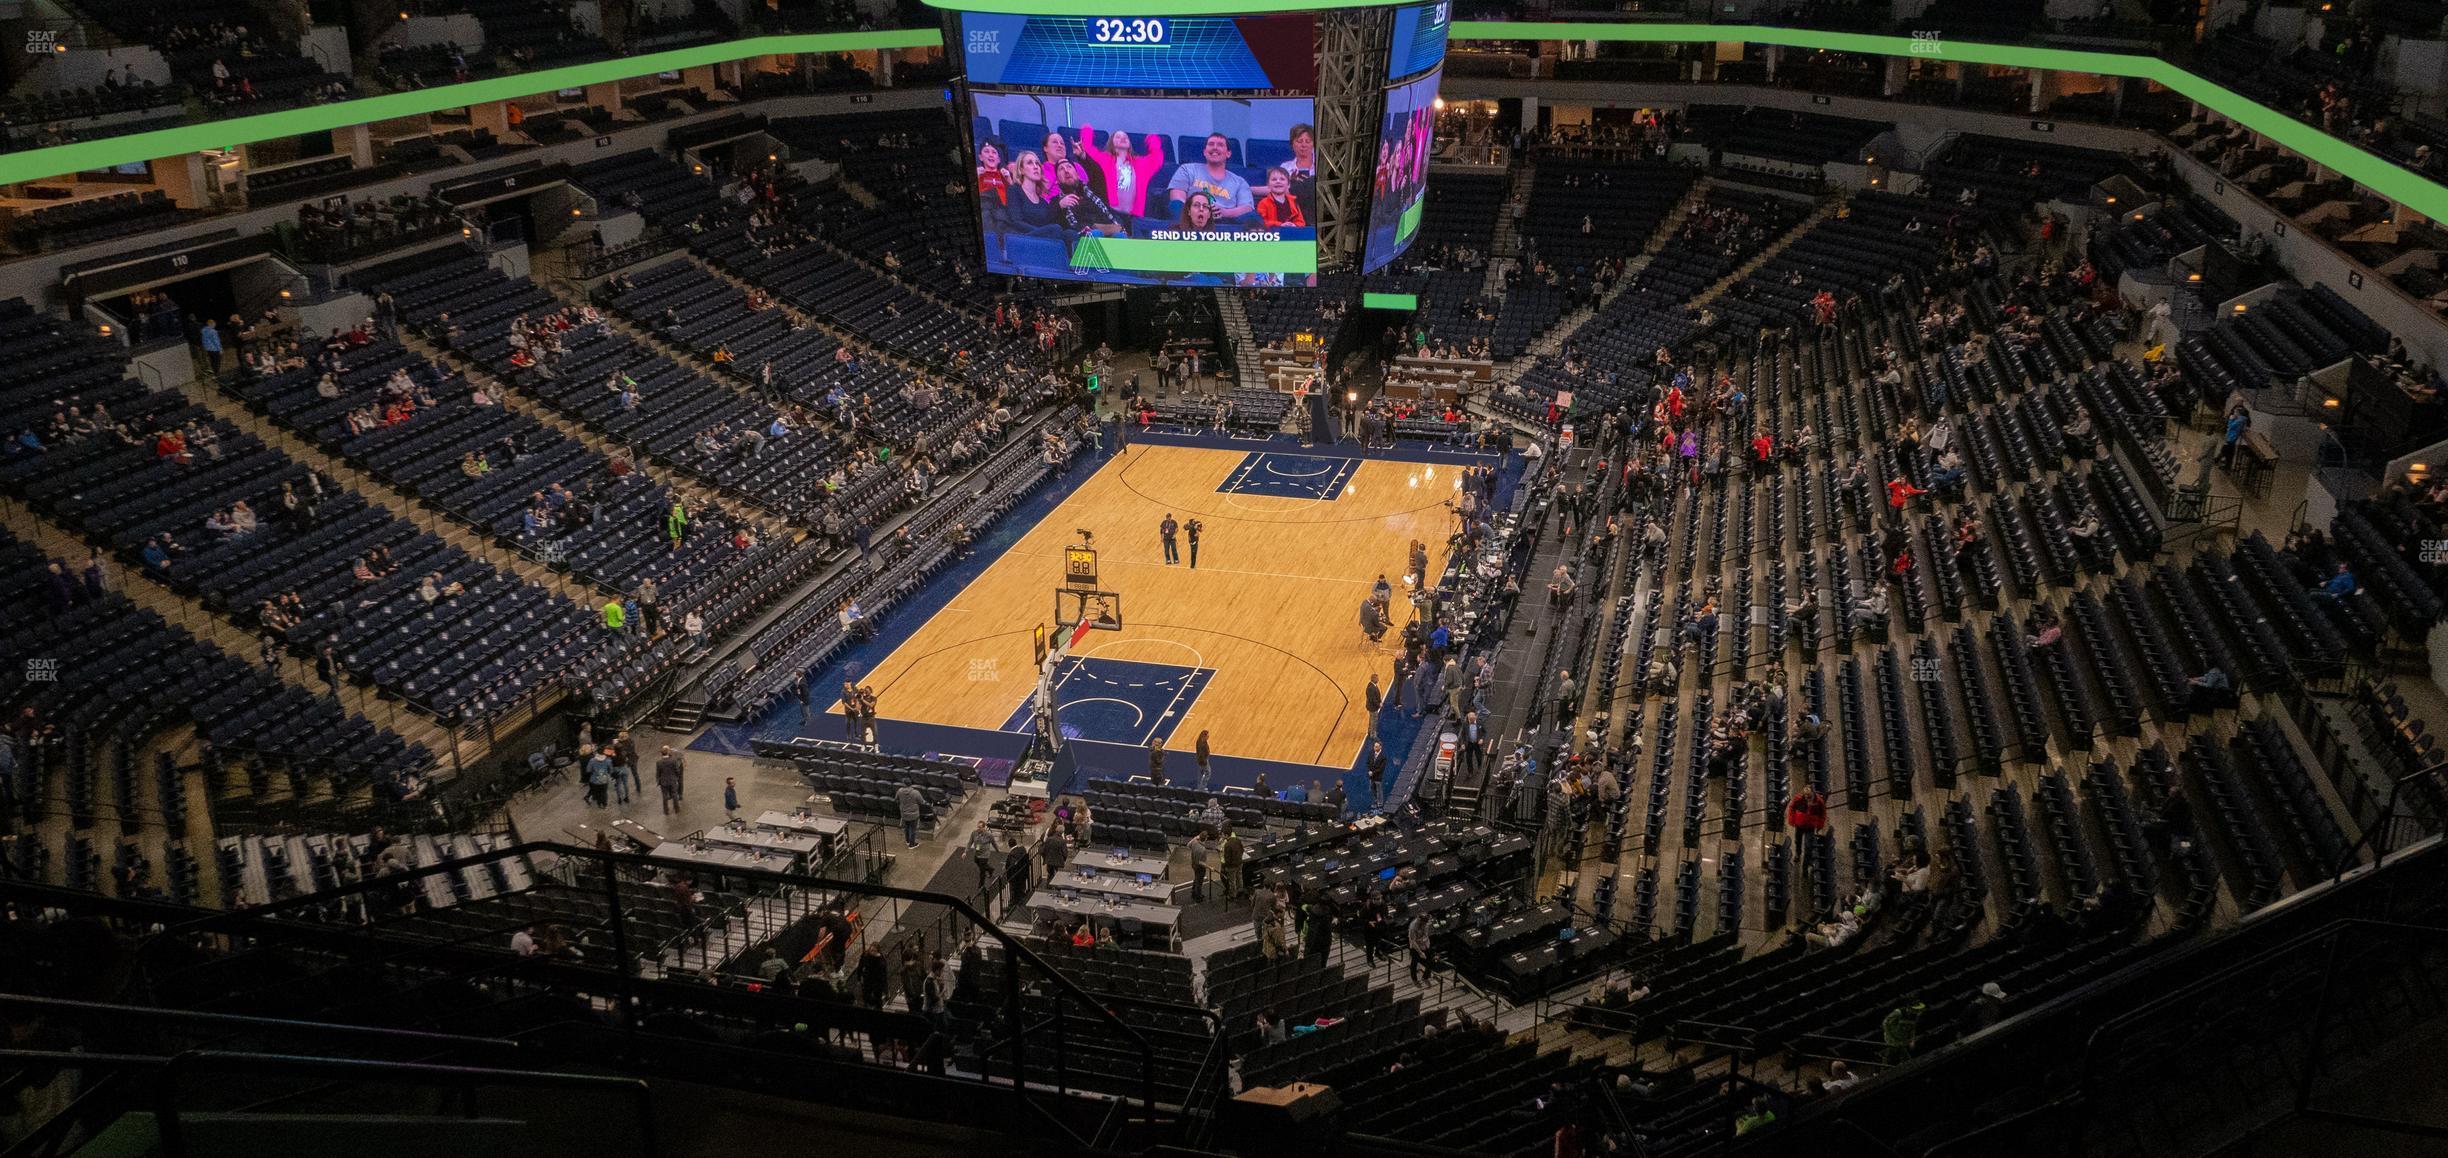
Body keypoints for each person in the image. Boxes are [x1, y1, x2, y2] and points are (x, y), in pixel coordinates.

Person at [1078, 124, 1166, 218]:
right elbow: (1087, 150)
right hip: (1111, 214)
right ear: (1112, 142)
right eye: (1118, 137)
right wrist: (1087, 130)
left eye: (1125, 137)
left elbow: (1156, 159)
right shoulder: (1104, 159)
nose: (1123, 138)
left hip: (1134, 217)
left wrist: (1152, 140)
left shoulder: (1140, 163)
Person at [1167, 132, 1255, 219]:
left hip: (1225, 223)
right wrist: (1196, 211)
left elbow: (1247, 208)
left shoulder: (1239, 182)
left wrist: (1225, 212)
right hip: (1191, 221)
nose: (1215, 148)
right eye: (1211, 144)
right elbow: (1177, 198)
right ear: (1205, 152)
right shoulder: (1187, 170)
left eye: (1220, 145)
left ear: (1228, 154)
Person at [655, 745, 685, 815]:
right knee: (674, 794)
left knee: (664, 796)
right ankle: (676, 809)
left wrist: (658, 781)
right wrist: (676, 777)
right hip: (672, 780)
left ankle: (666, 811)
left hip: (663, 782)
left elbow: (658, 773)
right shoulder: (673, 761)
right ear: (668, 752)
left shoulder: (658, 762)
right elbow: (677, 770)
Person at [1407, 910, 1433, 982]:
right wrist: (1420, 952)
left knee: (1430, 960)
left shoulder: (1426, 924)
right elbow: (1413, 941)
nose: (1425, 924)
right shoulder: (1413, 927)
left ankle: (1425, 976)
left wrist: (1422, 939)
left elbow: (1426, 935)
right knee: (1414, 963)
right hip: (1416, 947)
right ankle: (1414, 978)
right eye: (1424, 923)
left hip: (1425, 944)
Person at [896, 782, 924, 848]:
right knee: (913, 830)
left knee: (907, 827)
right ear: (910, 784)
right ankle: (912, 845)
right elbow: (921, 801)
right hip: (914, 814)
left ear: (904, 784)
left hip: (904, 813)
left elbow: (896, 799)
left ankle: (907, 841)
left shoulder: (899, 791)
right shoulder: (916, 792)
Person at [1188, 830, 1212, 902]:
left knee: (1196, 878)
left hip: (1193, 864)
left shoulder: (1194, 842)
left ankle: (1193, 893)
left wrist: (1195, 838)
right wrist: (1210, 867)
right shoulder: (1203, 850)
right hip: (1200, 867)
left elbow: (1188, 845)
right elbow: (1201, 862)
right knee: (1199, 882)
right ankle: (1198, 897)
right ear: (1205, 839)